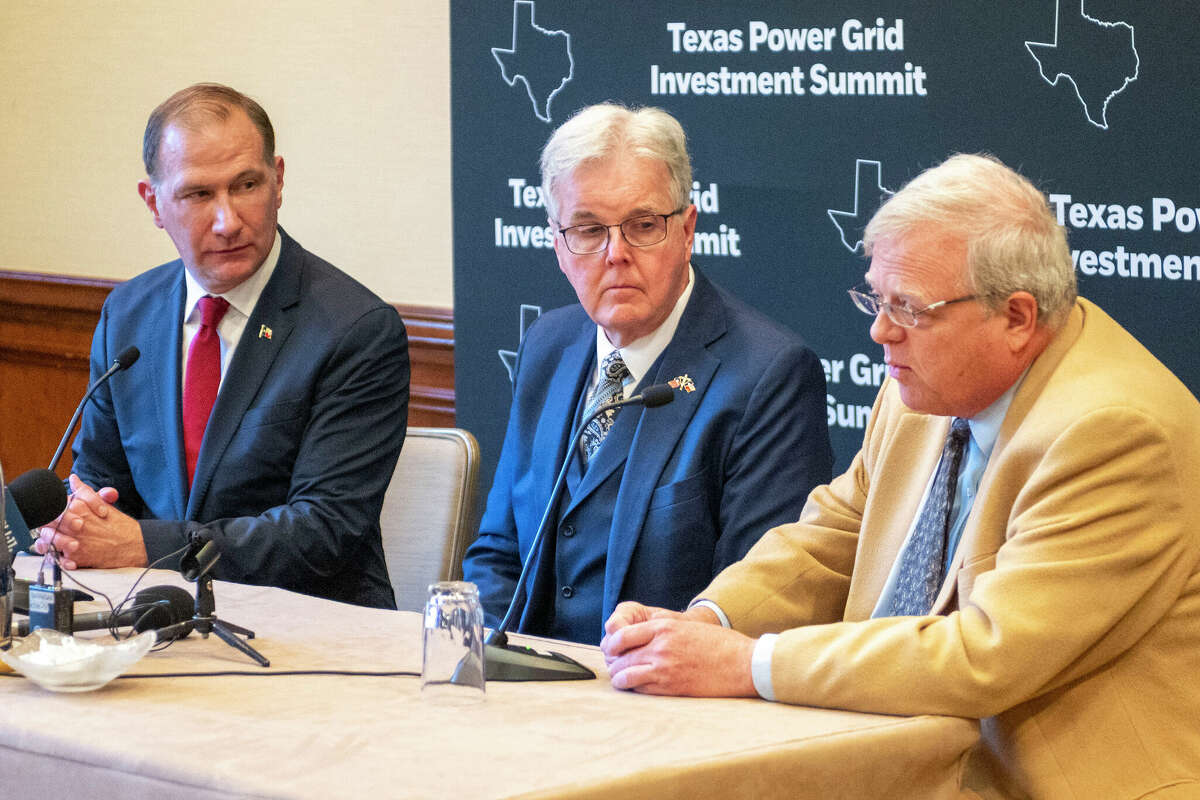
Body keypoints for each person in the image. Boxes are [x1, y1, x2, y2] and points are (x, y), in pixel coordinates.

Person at [601, 154, 1200, 798]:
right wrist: (713, 622)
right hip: (898, 755)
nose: (880, 331)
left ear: (1018, 317)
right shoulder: (923, 390)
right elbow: (832, 537)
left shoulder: (1114, 434)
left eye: (910, 309)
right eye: (876, 299)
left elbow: (985, 654)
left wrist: (750, 663)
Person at [462, 103, 833, 646]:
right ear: (557, 244)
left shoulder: (767, 375)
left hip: (666, 697)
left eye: (642, 226)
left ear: (687, 230)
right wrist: (488, 661)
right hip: (529, 692)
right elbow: (498, 550)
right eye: (587, 230)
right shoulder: (548, 346)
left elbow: (761, 601)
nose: (616, 254)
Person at [33, 84, 409, 609]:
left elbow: (324, 530)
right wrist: (80, 523)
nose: (228, 221)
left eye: (247, 185)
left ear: (278, 180)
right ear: (154, 203)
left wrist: (145, 544)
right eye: (198, 194)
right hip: (151, 611)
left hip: (311, 626)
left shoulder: (355, 328)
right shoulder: (129, 313)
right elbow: (100, 477)